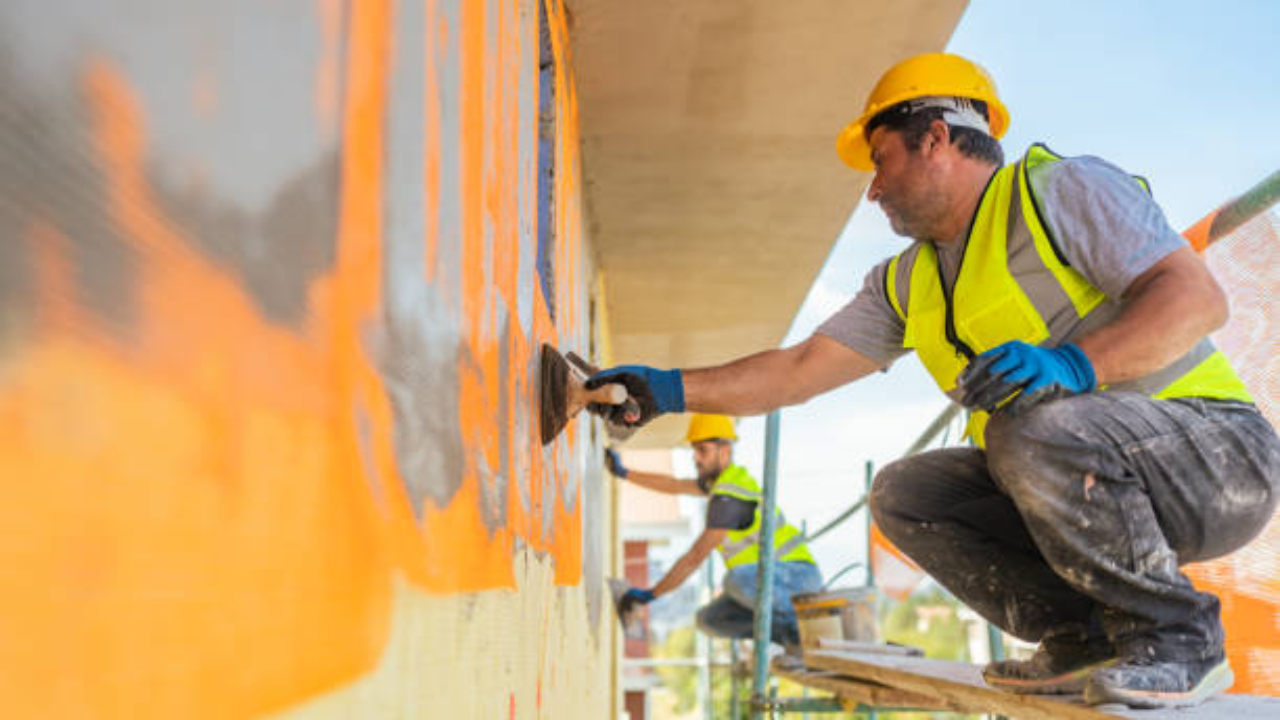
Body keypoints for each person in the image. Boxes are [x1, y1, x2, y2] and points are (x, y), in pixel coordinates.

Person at [587, 53, 1280, 709]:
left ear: (936, 137)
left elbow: (1197, 300)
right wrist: (667, 391)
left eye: (881, 159)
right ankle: (1084, 638)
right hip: (1074, 482)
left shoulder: (1058, 189)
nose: (873, 188)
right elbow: (797, 371)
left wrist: (1076, 365)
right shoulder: (906, 281)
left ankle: (1179, 639)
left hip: (1216, 458)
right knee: (905, 494)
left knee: (1029, 425)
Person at [610, 413, 823, 651]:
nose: (696, 459)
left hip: (796, 578)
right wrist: (624, 472)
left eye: (703, 450)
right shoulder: (720, 485)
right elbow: (674, 485)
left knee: (736, 579)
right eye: (694, 451)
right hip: (766, 582)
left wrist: (650, 595)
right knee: (710, 620)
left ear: (725, 451)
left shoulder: (730, 496)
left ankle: (803, 634)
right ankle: (789, 638)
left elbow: (694, 557)